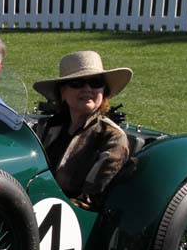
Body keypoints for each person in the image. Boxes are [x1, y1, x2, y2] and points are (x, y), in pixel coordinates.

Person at [32, 51, 131, 208]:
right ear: (62, 92)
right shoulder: (46, 128)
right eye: (77, 83)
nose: (87, 89)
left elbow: (90, 199)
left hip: (73, 218)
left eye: (96, 82)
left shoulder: (112, 137)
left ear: (103, 92)